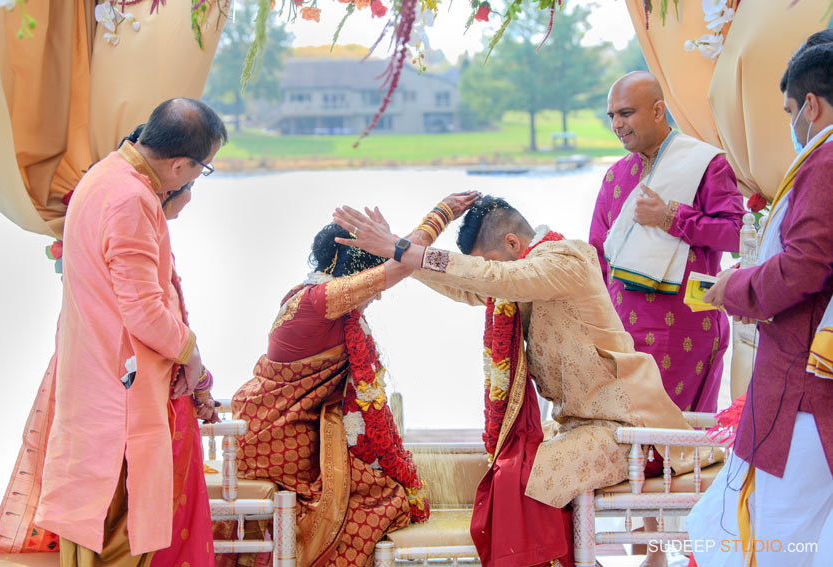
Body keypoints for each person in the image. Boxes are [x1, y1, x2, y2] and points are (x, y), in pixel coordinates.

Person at [333, 195, 702, 567]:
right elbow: (470, 283)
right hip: (583, 425)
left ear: (512, 244)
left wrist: (400, 248)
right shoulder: (522, 274)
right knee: (513, 461)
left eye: (489, 261)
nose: (485, 272)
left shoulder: (565, 259)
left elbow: (492, 278)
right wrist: (397, 252)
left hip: (628, 426)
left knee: (525, 476)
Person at [0, 124, 219, 567]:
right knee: (120, 531)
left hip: (93, 382)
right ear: (179, 165)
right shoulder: (132, 199)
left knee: (90, 521)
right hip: (121, 396)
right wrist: (193, 355)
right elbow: (145, 313)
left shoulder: (102, 176)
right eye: (202, 169)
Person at [222, 192, 480, 567]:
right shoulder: (323, 301)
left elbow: (401, 258)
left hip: (281, 426)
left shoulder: (312, 295)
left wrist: (442, 213)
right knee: (384, 499)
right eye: (371, 286)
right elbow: (402, 264)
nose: (375, 299)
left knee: (386, 489)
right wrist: (441, 214)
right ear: (355, 275)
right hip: (279, 437)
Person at [687, 42, 833, 567]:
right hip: (804, 373)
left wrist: (736, 288)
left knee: (778, 528)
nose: (792, 125)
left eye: (792, 113)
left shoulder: (827, 160)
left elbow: (804, 266)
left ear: (811, 105)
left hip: (805, 383)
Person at [589, 71, 745, 415]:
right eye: (612, 115)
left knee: (677, 444)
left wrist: (670, 217)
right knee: (628, 441)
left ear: (658, 111)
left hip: (687, 326)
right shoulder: (616, 176)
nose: (617, 124)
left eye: (626, 113)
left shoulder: (705, 164)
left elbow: (735, 234)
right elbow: (598, 259)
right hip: (623, 333)